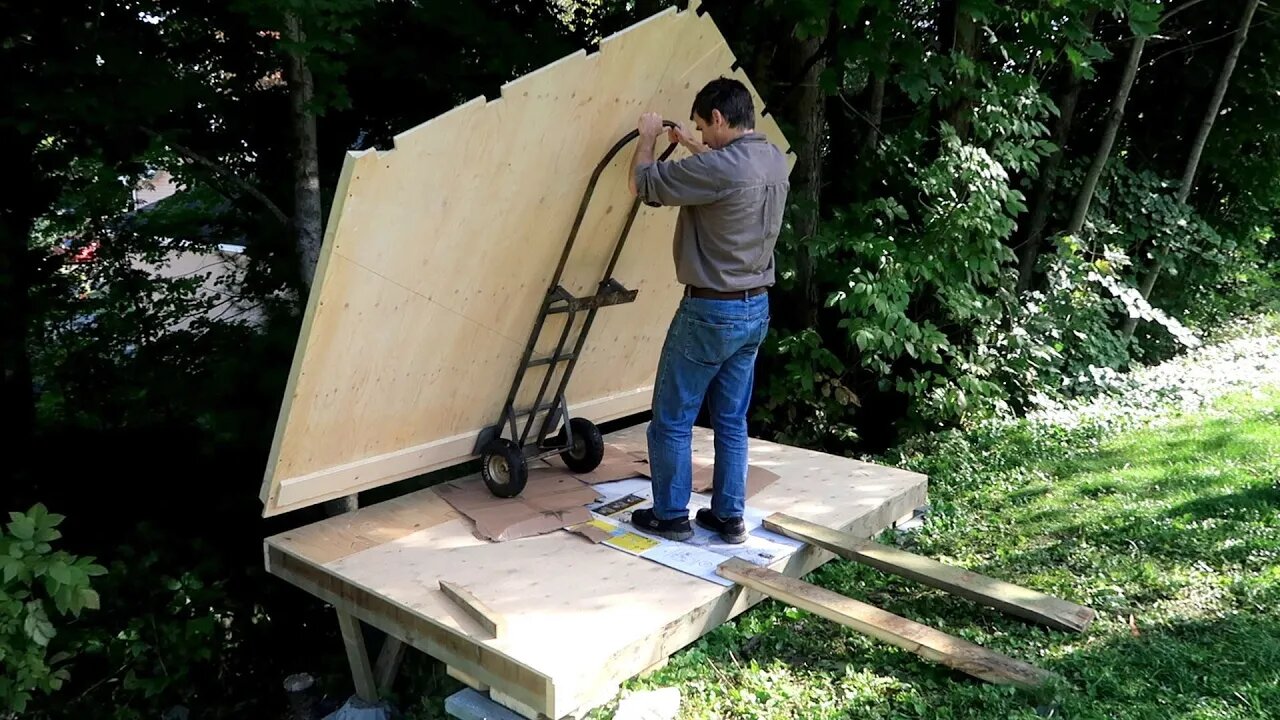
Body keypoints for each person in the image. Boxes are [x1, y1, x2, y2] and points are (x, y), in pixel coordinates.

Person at [624, 77, 790, 544]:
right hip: (755, 309)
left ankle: (671, 516)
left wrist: (649, 137)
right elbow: (728, 172)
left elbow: (642, 183)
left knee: (672, 419)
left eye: (703, 125)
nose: (702, 134)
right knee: (732, 420)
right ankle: (728, 518)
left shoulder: (718, 171)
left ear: (718, 118)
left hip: (709, 314)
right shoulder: (773, 159)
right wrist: (696, 146)